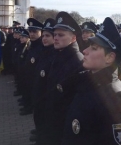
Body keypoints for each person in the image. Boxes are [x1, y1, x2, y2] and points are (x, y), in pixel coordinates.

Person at [61, 17, 121, 145]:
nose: (85, 51)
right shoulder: (87, 83)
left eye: (94, 48)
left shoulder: (117, 98)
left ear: (109, 58)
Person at [40, 11, 84, 145]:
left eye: (61, 35)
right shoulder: (59, 54)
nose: (56, 38)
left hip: (63, 123)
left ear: (73, 38)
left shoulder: (77, 61)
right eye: (55, 34)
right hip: (53, 118)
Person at [30, 18, 56, 144]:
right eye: (43, 35)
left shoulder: (54, 55)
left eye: (48, 36)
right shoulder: (44, 51)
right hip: (38, 96)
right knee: (38, 119)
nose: (44, 38)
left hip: (45, 99)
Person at [19, 18, 43, 116]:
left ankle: (29, 108)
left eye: (35, 32)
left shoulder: (41, 46)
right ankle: (27, 105)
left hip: (35, 77)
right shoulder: (31, 44)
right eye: (30, 31)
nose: (32, 34)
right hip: (28, 75)